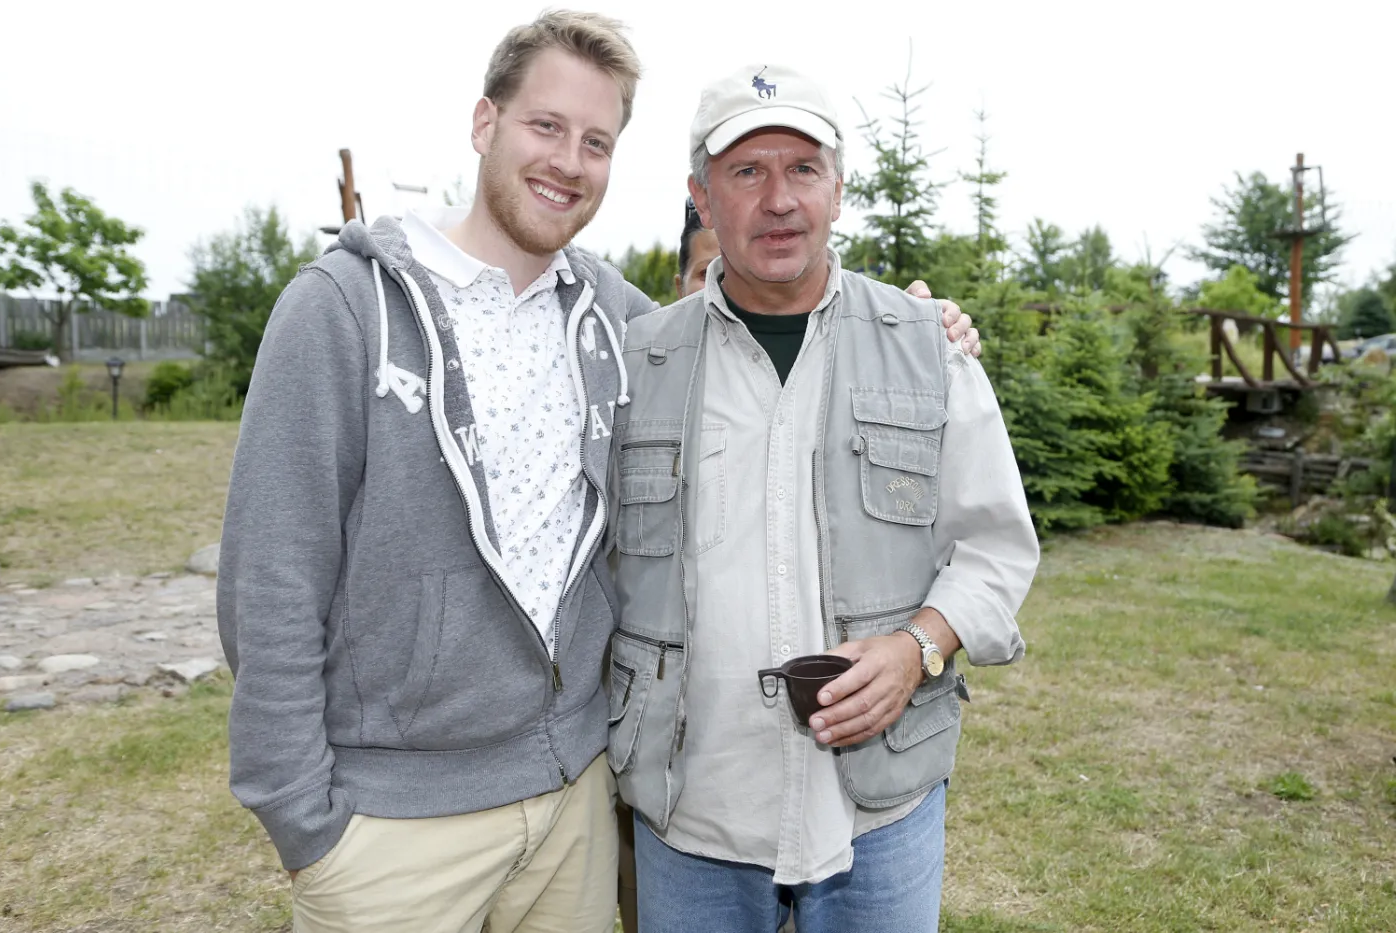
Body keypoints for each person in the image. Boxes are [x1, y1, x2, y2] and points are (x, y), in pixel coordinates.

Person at [219, 10, 978, 930]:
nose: (568, 162)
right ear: (484, 122)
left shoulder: (615, 320)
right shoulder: (343, 310)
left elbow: (736, 343)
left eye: (597, 142)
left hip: (574, 797)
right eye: (546, 127)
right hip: (392, 824)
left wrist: (920, 327)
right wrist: (303, 817)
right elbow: (270, 580)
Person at [608, 65, 1040, 933]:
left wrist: (920, 645)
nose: (778, 199)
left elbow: (998, 550)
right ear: (701, 195)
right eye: (746, 171)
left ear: (838, 191)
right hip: (689, 809)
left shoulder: (928, 348)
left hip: (878, 811)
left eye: (803, 169)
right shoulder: (633, 364)